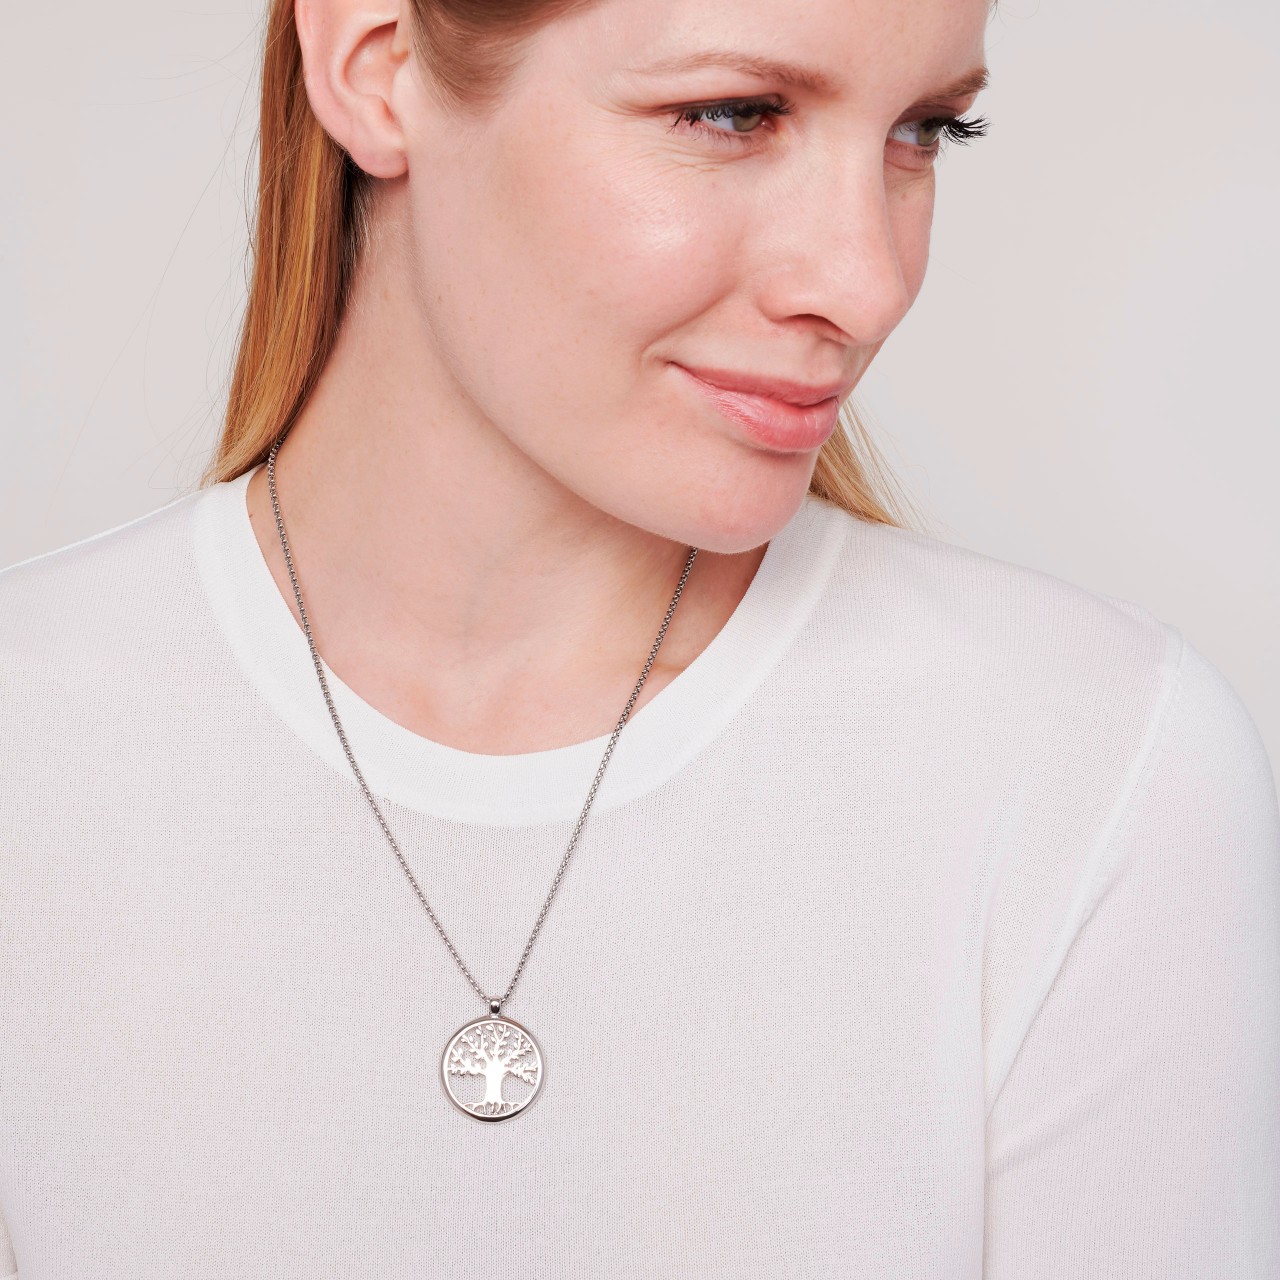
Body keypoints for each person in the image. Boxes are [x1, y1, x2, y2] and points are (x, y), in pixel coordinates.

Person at [1, 0, 1276, 1273]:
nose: (865, 283)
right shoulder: (36, 740)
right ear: (377, 69)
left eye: (925, 131)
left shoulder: (1092, 767)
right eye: (731, 114)